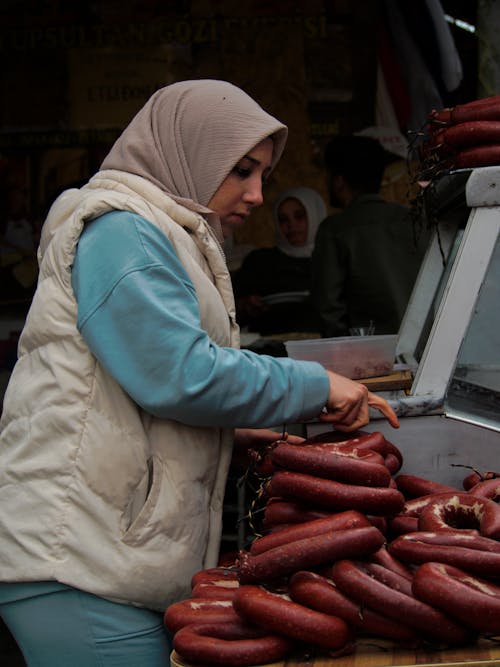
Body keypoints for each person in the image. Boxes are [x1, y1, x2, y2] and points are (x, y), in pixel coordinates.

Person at [0, 80, 399, 667]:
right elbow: (178, 373)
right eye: (241, 170)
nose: (258, 194)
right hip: (76, 563)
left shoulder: (164, 232)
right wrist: (313, 384)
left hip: (108, 560)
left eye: (262, 174)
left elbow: (130, 391)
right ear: (189, 150)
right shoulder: (122, 229)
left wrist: (227, 438)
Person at [311, 135, 429, 338]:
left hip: (368, 356)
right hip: (426, 347)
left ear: (338, 182)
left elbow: (328, 310)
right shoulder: (417, 220)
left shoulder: (335, 230)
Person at [232, 186, 326, 337]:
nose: (291, 225)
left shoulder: (331, 260)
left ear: (315, 215)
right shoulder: (260, 261)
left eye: (299, 216)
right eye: (283, 219)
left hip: (322, 344)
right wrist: (246, 305)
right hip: (269, 348)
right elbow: (230, 312)